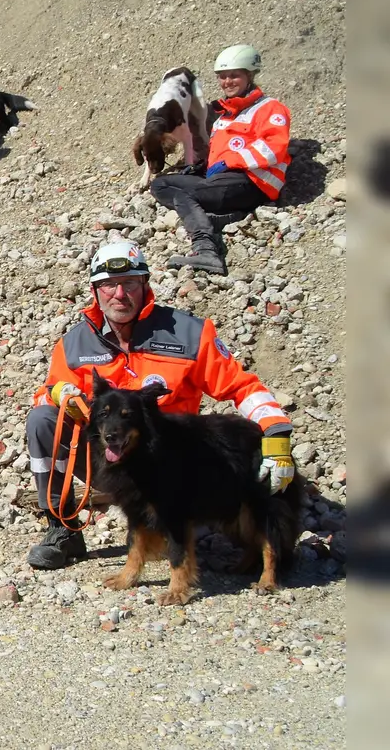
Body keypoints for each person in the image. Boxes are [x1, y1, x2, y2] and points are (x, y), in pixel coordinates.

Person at [24, 239, 296, 569]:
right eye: (108, 285)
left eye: (129, 283)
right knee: (42, 420)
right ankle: (62, 528)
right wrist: (56, 395)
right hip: (111, 458)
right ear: (95, 290)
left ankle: (198, 524)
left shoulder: (190, 334)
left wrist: (277, 434)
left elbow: (241, 386)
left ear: (145, 285)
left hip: (173, 464)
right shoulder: (74, 343)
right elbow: (47, 392)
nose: (119, 294)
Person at [148, 44, 291, 275]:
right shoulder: (225, 114)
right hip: (224, 180)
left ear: (250, 75)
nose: (227, 82)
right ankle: (219, 216)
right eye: (222, 77)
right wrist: (203, 167)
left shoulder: (270, 108)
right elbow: (220, 152)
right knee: (160, 184)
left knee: (186, 195)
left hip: (253, 182)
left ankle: (206, 249)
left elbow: (274, 149)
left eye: (234, 75)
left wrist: (230, 162)